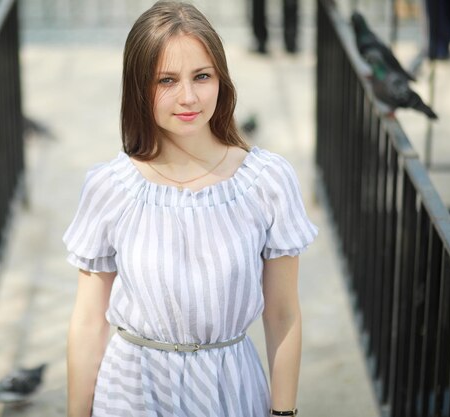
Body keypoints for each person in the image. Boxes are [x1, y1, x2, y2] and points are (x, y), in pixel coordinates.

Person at [63, 2, 317, 416]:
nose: (188, 97)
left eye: (202, 76)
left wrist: (283, 412)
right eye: (166, 80)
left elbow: (283, 314)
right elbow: (89, 321)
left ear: (222, 79)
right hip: (131, 392)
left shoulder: (267, 181)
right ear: (139, 87)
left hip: (229, 389)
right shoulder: (109, 187)